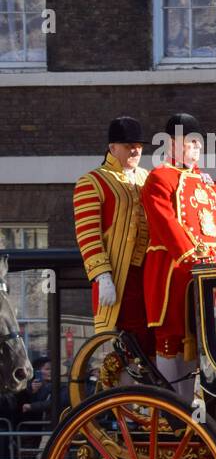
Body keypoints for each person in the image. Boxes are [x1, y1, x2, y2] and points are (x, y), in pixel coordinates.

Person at [140, 113, 216, 400]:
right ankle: (173, 407)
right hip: (172, 269)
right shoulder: (159, 177)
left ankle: (198, 406)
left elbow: (213, 228)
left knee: (207, 338)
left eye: (198, 143)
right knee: (172, 339)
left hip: (205, 268)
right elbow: (166, 225)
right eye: (190, 143)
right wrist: (192, 257)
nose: (197, 148)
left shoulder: (205, 182)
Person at [72, 116, 153, 356]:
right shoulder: (92, 181)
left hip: (147, 273)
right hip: (117, 275)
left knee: (150, 339)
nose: (135, 150)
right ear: (112, 148)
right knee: (123, 346)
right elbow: (88, 235)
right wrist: (102, 276)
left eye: (138, 146)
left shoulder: (147, 178)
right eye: (129, 146)